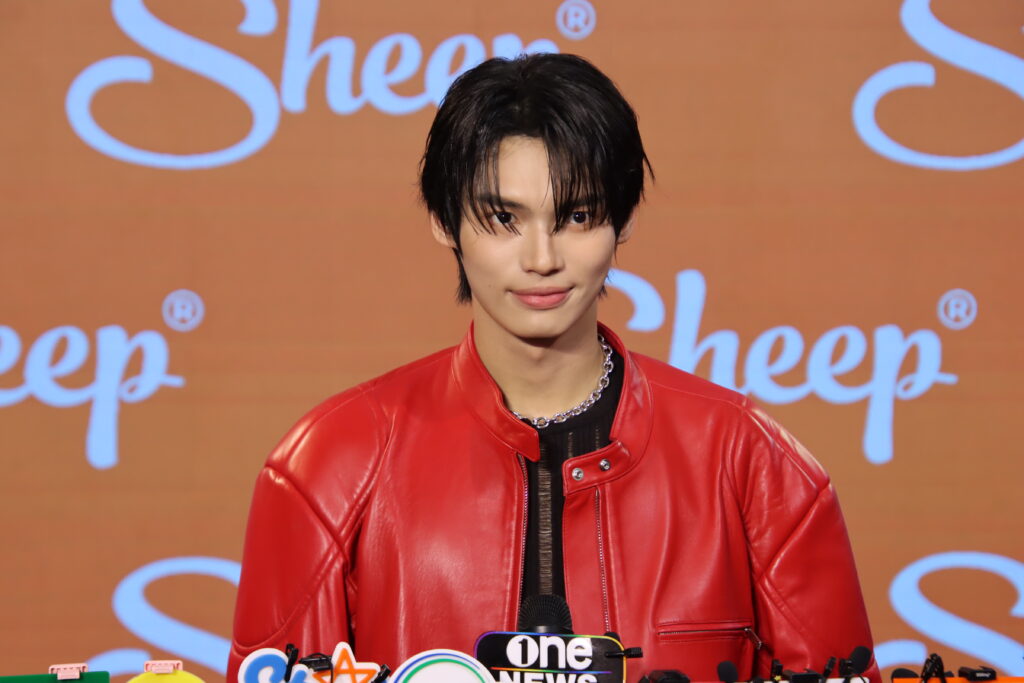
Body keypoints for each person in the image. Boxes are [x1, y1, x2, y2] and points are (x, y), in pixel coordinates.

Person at [228, 53, 878, 683]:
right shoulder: (330, 464)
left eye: (577, 216)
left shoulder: (751, 460)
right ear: (444, 221)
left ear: (622, 221)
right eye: (504, 218)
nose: (542, 258)